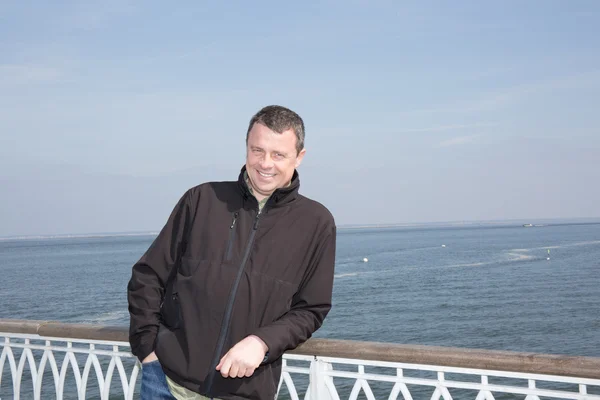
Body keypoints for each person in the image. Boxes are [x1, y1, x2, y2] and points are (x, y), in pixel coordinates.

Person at [127, 105, 337, 400]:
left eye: (278, 154)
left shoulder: (316, 223)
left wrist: (262, 342)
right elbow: (148, 275)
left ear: (299, 157)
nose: (266, 163)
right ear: (246, 148)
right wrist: (147, 348)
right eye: (257, 150)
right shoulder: (202, 199)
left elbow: (311, 309)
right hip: (166, 384)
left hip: (245, 392)